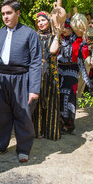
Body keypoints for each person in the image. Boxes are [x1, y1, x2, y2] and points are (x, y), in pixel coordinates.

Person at [0, 0, 42, 162]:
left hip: (21, 79)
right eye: (3, 14)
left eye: (9, 13)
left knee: (22, 115)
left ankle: (23, 150)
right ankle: (0, 146)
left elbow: (36, 62)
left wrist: (34, 89)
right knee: (1, 115)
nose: (5, 17)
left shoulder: (29, 33)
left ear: (18, 13)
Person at [58, 16, 91, 134]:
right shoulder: (59, 39)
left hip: (71, 70)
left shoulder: (78, 40)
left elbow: (84, 54)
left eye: (66, 27)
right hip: (59, 69)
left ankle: (69, 125)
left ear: (72, 29)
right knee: (58, 97)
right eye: (63, 27)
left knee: (68, 96)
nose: (64, 29)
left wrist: (83, 40)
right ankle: (59, 123)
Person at [33, 11, 61, 140]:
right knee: (36, 102)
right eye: (38, 21)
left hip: (50, 72)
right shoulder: (34, 36)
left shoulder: (54, 37)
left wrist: (57, 34)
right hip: (36, 71)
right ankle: (36, 131)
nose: (41, 23)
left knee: (50, 101)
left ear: (49, 21)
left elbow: (53, 50)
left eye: (43, 20)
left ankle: (50, 131)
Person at [77, 27, 93, 98]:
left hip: (86, 57)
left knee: (83, 78)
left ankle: (78, 96)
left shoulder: (91, 31)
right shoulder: (71, 29)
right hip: (74, 57)